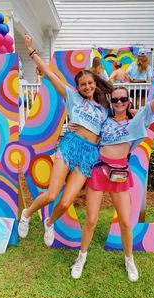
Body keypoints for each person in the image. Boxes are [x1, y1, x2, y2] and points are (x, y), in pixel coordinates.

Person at [18, 34, 113, 246]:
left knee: (67, 200)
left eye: (90, 83)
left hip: (89, 154)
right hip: (70, 146)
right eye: (83, 84)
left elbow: (113, 127)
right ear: (77, 87)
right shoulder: (72, 97)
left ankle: (49, 223)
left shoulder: (103, 110)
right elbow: (51, 75)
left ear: (95, 84)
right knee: (52, 195)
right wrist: (31, 51)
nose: (87, 87)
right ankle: (27, 213)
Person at [69, 81, 154, 282]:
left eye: (123, 98)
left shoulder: (136, 121)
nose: (119, 102)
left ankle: (129, 259)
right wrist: (74, 126)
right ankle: (81, 258)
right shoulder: (104, 119)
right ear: (111, 102)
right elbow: (86, 123)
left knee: (125, 221)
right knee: (91, 220)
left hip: (120, 174)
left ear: (128, 101)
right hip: (98, 171)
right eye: (115, 99)